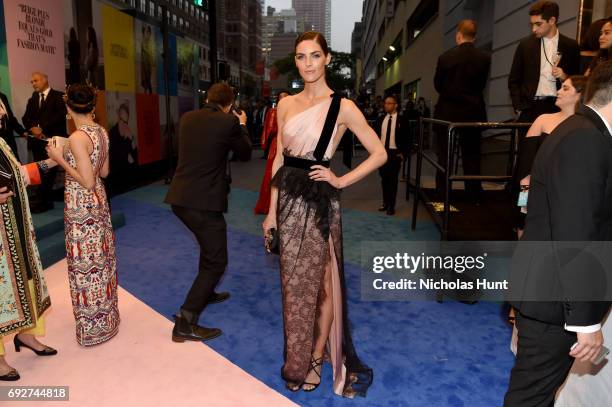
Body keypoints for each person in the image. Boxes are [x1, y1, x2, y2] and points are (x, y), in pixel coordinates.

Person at [262, 31, 384, 397]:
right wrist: (270, 214)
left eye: (315, 55)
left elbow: (380, 153)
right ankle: (298, 356)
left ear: (328, 59)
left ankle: (314, 358)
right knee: (293, 287)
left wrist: (341, 180)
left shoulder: (343, 107)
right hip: (288, 203)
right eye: (301, 57)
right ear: (296, 62)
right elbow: (280, 160)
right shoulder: (285, 105)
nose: (308, 63)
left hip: (319, 203)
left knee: (324, 283)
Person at [504, 61, 612, 407]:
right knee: (530, 399)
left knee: (537, 395)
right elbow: (575, 233)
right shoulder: (586, 139)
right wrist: (585, 320)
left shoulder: (579, 131)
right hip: (554, 303)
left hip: (547, 295)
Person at [165, 82, 251, 343]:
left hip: (180, 198)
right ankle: (185, 320)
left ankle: (207, 292)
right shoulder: (228, 123)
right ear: (229, 103)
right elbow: (246, 153)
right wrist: (243, 124)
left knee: (208, 248)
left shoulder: (188, 118)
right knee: (217, 261)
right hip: (203, 203)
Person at [45, 84, 120, 347]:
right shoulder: (101, 131)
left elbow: (87, 181)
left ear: (68, 108)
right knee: (101, 262)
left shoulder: (77, 138)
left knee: (85, 267)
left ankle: (92, 330)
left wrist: (59, 158)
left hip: (82, 206)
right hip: (99, 204)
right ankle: (108, 322)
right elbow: (105, 173)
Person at [0, 138, 58, 381]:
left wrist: (52, 162)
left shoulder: (1, 142)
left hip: (15, 226)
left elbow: (17, 175)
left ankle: (26, 333)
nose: (2, 113)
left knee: (27, 276)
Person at [514, 75, 586, 238]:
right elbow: (525, 160)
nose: (558, 91)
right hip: (532, 186)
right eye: (560, 87)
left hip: (565, 193)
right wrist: (524, 192)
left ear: (580, 94)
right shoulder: (543, 119)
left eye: (565, 88)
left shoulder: (585, 125)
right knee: (523, 223)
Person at [433, 20, 490, 203]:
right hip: (472, 112)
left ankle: (443, 196)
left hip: (447, 113)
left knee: (445, 157)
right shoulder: (484, 58)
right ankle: (474, 197)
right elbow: (481, 85)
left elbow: (438, 85)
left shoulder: (445, 57)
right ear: (474, 36)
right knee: (472, 157)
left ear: (458, 35)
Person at [508, 1, 581, 127]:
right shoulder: (525, 45)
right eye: (532, 24)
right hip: (530, 109)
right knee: (528, 146)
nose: (533, 29)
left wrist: (564, 76)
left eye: (538, 24)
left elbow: (579, 81)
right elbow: (514, 80)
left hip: (559, 108)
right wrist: (519, 106)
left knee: (555, 146)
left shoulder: (571, 46)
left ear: (552, 20)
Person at [21, 72, 67, 213]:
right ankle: (43, 200)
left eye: (35, 80)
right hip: (37, 143)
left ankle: (43, 201)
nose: (33, 83)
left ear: (45, 80)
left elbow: (60, 116)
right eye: (31, 82)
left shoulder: (59, 96)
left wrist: (41, 128)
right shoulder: (33, 98)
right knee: (40, 171)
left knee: (49, 172)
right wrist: (32, 128)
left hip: (53, 142)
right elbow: (25, 118)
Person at [254, 90, 290, 215]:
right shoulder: (273, 112)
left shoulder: (296, 111)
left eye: (286, 97)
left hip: (293, 144)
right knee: (274, 172)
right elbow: (269, 130)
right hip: (277, 145)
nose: (284, 99)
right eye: (281, 97)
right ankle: (270, 205)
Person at [376, 95, 409, 215]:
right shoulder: (380, 119)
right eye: (385, 103)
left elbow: (407, 138)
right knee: (384, 179)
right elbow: (375, 137)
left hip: (395, 153)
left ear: (396, 105)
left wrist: (404, 154)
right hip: (382, 153)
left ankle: (391, 206)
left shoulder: (402, 120)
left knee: (393, 180)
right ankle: (385, 203)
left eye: (389, 103)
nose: (386, 105)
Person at [108, 103, 138, 195]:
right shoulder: (112, 133)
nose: (124, 124)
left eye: (126, 122)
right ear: (118, 117)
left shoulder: (128, 132)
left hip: (127, 178)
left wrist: (132, 140)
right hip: (116, 179)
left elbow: (135, 156)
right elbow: (118, 158)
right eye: (122, 121)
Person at [0, 84, 26, 155]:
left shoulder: (3, 97)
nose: (2, 113)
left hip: (10, 141)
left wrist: (22, 132)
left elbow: (10, 118)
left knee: (16, 164)